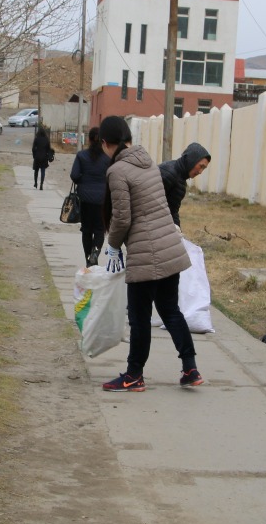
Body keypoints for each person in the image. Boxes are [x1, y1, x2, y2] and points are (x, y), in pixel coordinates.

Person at [96, 115, 203, 391]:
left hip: (146, 252)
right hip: (169, 246)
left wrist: (113, 245)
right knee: (170, 309)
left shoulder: (117, 171)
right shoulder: (149, 163)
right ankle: (190, 368)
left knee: (139, 316)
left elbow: (122, 218)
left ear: (106, 143)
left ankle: (133, 375)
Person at [70, 126, 111, 267]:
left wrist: (83, 181)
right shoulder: (108, 159)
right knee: (100, 229)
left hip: (85, 199)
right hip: (102, 200)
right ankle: (95, 253)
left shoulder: (81, 156)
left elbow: (74, 175)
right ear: (103, 141)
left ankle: (89, 260)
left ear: (89, 139)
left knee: (86, 229)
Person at [158, 141, 211, 228]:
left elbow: (172, 210)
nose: (200, 172)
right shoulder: (169, 173)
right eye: (200, 166)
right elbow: (150, 203)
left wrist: (177, 229)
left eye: (204, 168)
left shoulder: (180, 179)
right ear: (192, 160)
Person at [31, 124, 54, 189]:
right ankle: (41, 184)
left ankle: (35, 183)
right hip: (44, 158)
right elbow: (48, 149)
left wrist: (34, 155)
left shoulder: (36, 139)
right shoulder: (46, 139)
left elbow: (33, 148)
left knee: (36, 171)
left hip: (37, 157)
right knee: (43, 171)